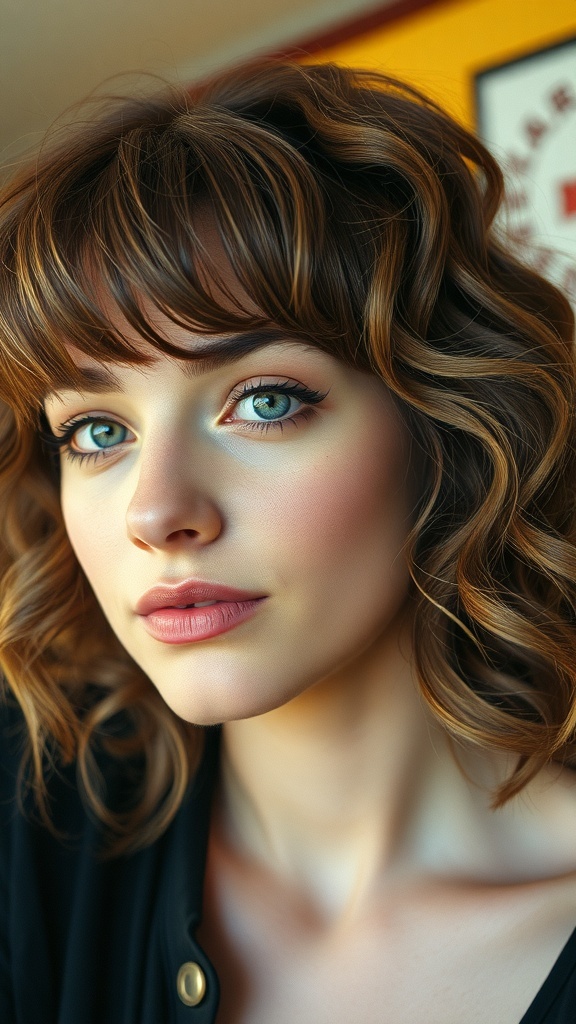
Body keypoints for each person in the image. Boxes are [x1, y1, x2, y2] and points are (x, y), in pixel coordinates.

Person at [0, 58, 575, 1024]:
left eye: (263, 402)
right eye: (98, 431)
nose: (156, 513)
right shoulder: (31, 826)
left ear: (449, 427)